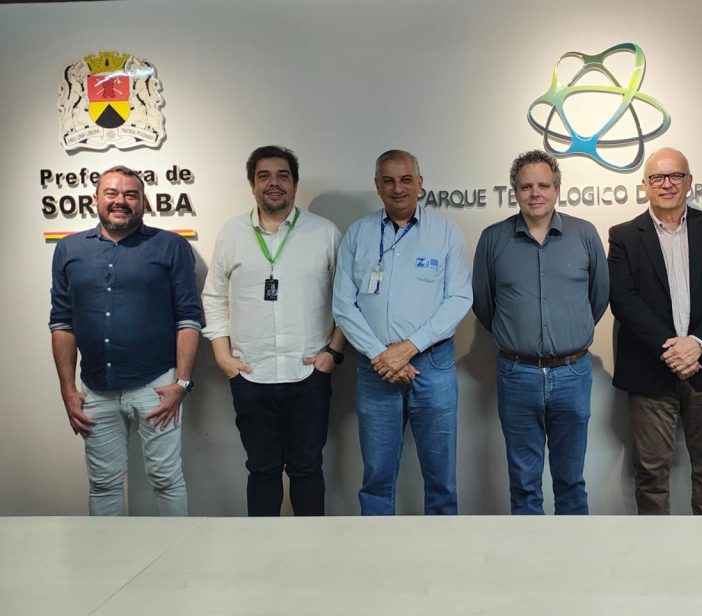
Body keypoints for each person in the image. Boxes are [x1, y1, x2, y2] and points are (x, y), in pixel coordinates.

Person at [49, 165, 202, 516]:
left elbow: (189, 318)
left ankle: (179, 550)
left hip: (156, 386)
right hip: (95, 389)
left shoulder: (171, 246)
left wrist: (181, 383)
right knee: (103, 484)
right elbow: (62, 322)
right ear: (95, 199)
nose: (121, 200)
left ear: (143, 202)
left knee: (166, 478)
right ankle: (108, 552)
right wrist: (67, 389)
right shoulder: (69, 249)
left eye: (131, 194)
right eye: (112, 193)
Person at [202, 145, 345, 517]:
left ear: (295, 183)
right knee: (262, 471)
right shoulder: (232, 233)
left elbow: (347, 299)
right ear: (252, 185)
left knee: (307, 469)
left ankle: (310, 548)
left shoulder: (324, 233)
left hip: (308, 374)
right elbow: (214, 296)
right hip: (251, 373)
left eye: (283, 175)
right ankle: (260, 550)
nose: (274, 183)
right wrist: (222, 356)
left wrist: (333, 353)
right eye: (263, 176)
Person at [333, 149, 471, 515]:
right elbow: (343, 305)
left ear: (420, 183)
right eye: (389, 181)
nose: (398, 188)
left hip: (432, 365)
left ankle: (441, 543)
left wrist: (407, 348)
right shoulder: (358, 234)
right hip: (375, 367)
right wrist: (381, 355)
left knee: (441, 476)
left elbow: (459, 298)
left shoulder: (445, 232)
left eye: (406, 180)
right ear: (377, 185)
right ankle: (377, 548)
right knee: (377, 475)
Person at [473, 149, 609, 515]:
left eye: (543, 186)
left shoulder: (584, 234)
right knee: (524, 483)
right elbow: (484, 303)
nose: (535, 193)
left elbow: (599, 296)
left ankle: (571, 550)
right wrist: (516, 335)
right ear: (515, 192)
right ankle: (529, 552)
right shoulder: (493, 239)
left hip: (572, 373)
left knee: (571, 480)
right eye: (526, 186)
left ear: (557, 189)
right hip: (517, 374)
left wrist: (569, 331)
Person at [607, 147, 702, 515]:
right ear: (645, 185)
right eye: (657, 177)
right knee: (651, 473)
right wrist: (673, 350)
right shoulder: (624, 235)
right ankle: (657, 549)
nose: (666, 184)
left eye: (675, 176)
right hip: (650, 370)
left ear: (689, 181)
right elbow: (624, 300)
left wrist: (697, 344)